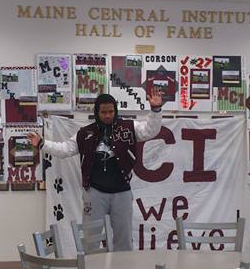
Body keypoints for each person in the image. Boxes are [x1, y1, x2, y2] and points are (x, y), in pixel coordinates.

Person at [29, 89, 164, 251]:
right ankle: (91, 268)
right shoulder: (85, 133)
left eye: (111, 112)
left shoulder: (129, 127)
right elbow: (65, 149)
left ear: (116, 111)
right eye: (103, 112)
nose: (108, 116)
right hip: (94, 193)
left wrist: (155, 110)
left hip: (122, 192)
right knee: (90, 240)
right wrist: (42, 144)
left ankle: (124, 268)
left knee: (124, 240)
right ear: (96, 113)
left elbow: (150, 130)